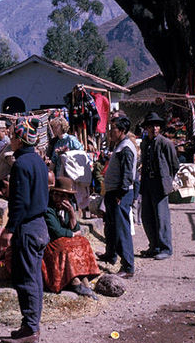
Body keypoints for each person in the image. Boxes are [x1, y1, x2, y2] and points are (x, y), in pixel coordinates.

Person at [2, 117, 49, 343]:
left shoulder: (21, 164)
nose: (10, 140)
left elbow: (19, 202)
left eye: (12, 136)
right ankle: (29, 324)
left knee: (27, 279)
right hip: (40, 225)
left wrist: (10, 229)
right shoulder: (38, 162)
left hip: (28, 228)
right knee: (34, 278)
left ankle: (31, 328)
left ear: (20, 140)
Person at [43, 174, 99, 297]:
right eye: (56, 195)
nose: (59, 199)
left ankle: (83, 279)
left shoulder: (67, 209)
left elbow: (76, 227)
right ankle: (74, 282)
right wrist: (73, 234)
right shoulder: (48, 209)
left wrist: (71, 213)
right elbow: (56, 232)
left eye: (63, 196)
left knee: (83, 242)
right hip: (50, 243)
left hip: (64, 239)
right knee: (66, 248)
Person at [97, 116, 138, 278]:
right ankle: (111, 255)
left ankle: (128, 266)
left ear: (121, 131)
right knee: (112, 227)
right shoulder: (120, 146)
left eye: (112, 129)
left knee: (122, 229)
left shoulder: (126, 148)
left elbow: (128, 175)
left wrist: (120, 194)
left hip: (120, 194)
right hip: (114, 192)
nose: (109, 132)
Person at [139, 111, 178, 260]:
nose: (154, 128)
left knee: (162, 217)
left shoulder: (165, 143)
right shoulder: (144, 144)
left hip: (160, 183)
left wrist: (167, 179)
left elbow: (174, 165)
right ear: (146, 128)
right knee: (147, 216)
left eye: (157, 126)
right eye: (151, 126)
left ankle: (165, 248)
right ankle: (154, 246)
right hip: (147, 183)